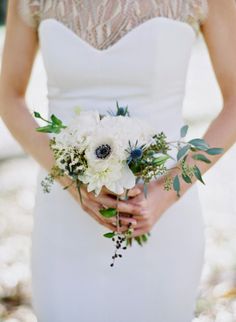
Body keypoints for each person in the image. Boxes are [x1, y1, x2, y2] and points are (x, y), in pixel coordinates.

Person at [0, 1, 236, 321]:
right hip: (63, 221)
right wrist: (71, 181)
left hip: (161, 217)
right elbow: (8, 96)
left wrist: (164, 194)